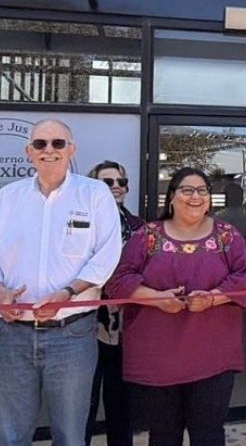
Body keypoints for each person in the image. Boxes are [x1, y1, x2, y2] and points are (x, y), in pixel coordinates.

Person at [0, 119, 122, 446]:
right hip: (9, 334)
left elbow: (107, 256)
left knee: (70, 436)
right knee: (9, 437)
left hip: (72, 334)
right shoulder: (6, 198)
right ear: (29, 152)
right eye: (40, 144)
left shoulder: (94, 194)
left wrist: (67, 294)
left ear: (72, 149)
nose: (49, 150)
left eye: (57, 143)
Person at [105, 166, 246, 446]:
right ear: (172, 197)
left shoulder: (228, 236)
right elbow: (118, 280)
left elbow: (245, 277)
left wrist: (212, 297)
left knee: (209, 435)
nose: (195, 197)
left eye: (202, 191)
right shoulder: (147, 236)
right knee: (163, 436)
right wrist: (156, 299)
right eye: (187, 190)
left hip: (213, 359)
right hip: (158, 360)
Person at [86, 160, 144, 446]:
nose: (117, 187)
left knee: (121, 401)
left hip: (127, 325)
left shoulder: (138, 226)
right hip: (87, 323)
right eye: (108, 182)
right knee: (84, 401)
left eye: (121, 182)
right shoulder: (82, 224)